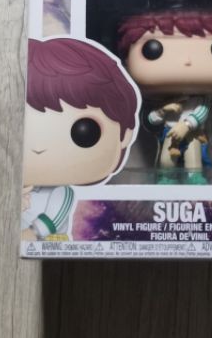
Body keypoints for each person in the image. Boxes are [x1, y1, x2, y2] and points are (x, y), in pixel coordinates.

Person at [22, 37, 140, 241]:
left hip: (51, 245)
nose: (39, 147)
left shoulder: (62, 192)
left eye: (84, 132)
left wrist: (32, 233)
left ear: (125, 135)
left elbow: (55, 218)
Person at [117, 11, 212, 184]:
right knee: (166, 160)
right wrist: (162, 111)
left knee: (193, 159)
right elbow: (151, 120)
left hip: (191, 133)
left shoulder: (201, 100)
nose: (187, 60)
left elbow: (202, 112)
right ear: (126, 62)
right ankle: (166, 177)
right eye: (152, 50)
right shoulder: (165, 100)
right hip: (169, 131)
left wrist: (186, 126)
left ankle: (194, 177)